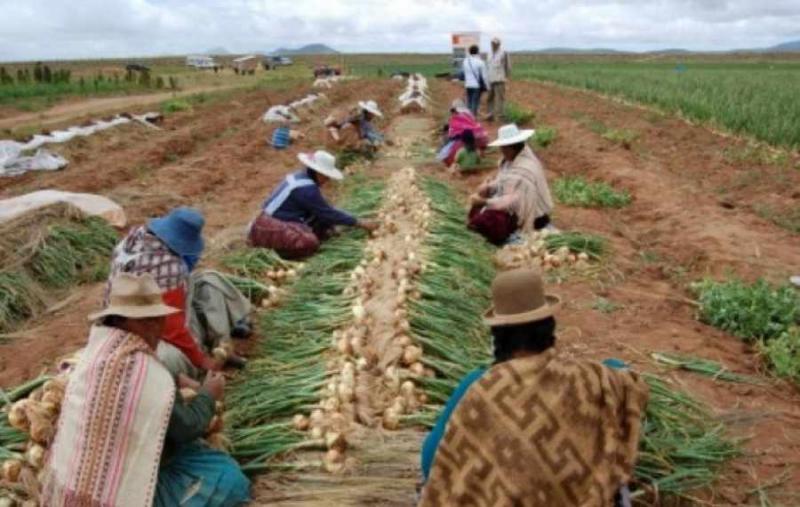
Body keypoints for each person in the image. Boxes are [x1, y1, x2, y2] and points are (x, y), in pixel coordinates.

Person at [419, 268, 649, 507]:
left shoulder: (479, 387)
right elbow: (629, 380)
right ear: (549, 326)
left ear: (498, 335)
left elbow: (430, 461)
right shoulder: (590, 379)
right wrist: (612, 367)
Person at [42, 273, 250, 507]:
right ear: (144, 322)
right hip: (114, 497)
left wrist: (171, 382)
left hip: (69, 491)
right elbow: (189, 427)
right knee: (228, 478)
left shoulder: (96, 352)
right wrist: (208, 394)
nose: (161, 328)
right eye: (159, 320)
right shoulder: (145, 374)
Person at [107, 207, 244, 379]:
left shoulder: (132, 239)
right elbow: (172, 329)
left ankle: (222, 348)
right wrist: (201, 360)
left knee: (208, 281)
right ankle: (208, 360)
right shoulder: (169, 265)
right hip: (141, 332)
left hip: (117, 320)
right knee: (169, 360)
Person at [248, 150, 378, 259]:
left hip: (278, 217)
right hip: (266, 225)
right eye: (327, 176)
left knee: (322, 220)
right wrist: (359, 222)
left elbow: (323, 210)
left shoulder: (301, 176)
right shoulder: (307, 189)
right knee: (309, 242)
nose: (328, 179)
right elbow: (328, 213)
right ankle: (286, 256)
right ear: (319, 173)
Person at [468, 124, 554, 245]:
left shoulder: (525, 168)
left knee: (484, 222)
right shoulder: (514, 159)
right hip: (514, 207)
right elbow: (504, 181)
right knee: (478, 214)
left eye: (503, 148)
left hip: (534, 217)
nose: (501, 151)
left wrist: (484, 202)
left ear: (510, 148)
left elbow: (512, 202)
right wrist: (489, 187)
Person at [437, 99, 489, 168]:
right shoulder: (469, 114)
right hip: (480, 138)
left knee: (446, 144)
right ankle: (482, 153)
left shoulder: (456, 117)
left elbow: (452, 133)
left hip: (464, 142)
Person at [486, 37, 512, 122]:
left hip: (500, 79)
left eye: (495, 43)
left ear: (498, 44)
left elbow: (508, 66)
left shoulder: (503, 53)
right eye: (492, 43)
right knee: (489, 98)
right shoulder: (489, 53)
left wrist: (507, 77)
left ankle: (500, 116)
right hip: (490, 79)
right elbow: (488, 66)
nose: (493, 45)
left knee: (500, 98)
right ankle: (490, 115)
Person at [462, 45, 488, 117]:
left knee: (469, 102)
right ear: (477, 52)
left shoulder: (465, 61)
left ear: (469, 52)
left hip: (467, 85)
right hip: (476, 86)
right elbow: (484, 76)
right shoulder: (480, 62)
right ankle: (473, 119)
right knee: (475, 103)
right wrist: (486, 86)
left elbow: (463, 73)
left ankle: (468, 118)